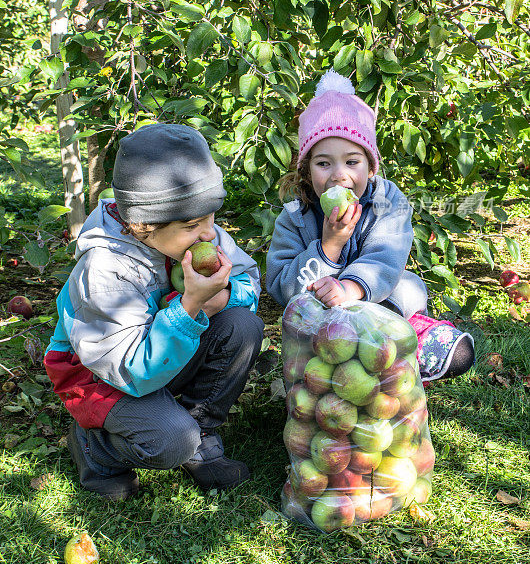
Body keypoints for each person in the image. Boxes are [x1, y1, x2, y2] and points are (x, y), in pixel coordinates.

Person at [44, 124, 264, 501]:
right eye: (192, 225)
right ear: (140, 224)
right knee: (171, 440)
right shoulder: (107, 269)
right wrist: (189, 306)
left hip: (160, 357)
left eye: (211, 217)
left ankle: (202, 435)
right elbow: (131, 371)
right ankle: (96, 449)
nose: (210, 234)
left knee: (242, 325)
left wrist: (221, 298)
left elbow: (249, 282)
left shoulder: (198, 234)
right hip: (102, 375)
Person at [266, 70, 475, 383]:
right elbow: (283, 287)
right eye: (324, 163)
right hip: (323, 330)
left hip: (381, 306)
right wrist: (328, 247)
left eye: (352, 162)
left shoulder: (387, 201)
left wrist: (350, 289)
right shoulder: (295, 216)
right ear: (307, 169)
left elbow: (385, 259)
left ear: (370, 164)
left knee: (407, 286)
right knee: (300, 311)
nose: (339, 175)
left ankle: (400, 339)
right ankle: (387, 358)